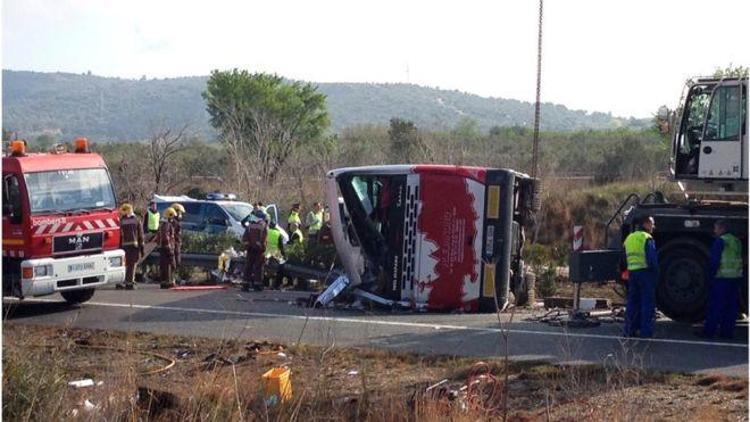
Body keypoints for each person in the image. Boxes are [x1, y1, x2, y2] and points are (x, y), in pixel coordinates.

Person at [699, 220, 744, 339]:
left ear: (722, 229)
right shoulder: (736, 241)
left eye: (716, 228)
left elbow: (715, 260)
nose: (714, 231)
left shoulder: (721, 241)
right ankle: (727, 333)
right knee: (731, 307)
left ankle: (709, 331)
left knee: (715, 306)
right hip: (735, 277)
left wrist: (710, 275)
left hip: (721, 277)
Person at [623, 215, 658, 338]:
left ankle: (629, 330)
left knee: (632, 302)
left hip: (632, 273)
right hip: (645, 273)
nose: (653, 226)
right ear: (646, 224)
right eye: (652, 224)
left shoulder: (629, 238)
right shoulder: (647, 238)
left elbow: (623, 259)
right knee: (647, 303)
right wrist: (656, 274)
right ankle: (646, 332)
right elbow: (652, 259)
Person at [116, 203, 144, 290]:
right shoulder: (136, 220)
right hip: (134, 246)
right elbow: (141, 235)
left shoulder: (121, 221)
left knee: (124, 264)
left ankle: (121, 281)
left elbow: (119, 235)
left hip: (123, 246)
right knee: (132, 264)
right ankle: (130, 282)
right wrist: (142, 247)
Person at [242, 209, 268, 291]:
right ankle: (257, 285)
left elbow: (245, 237)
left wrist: (247, 245)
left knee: (248, 267)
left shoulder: (250, 225)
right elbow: (264, 239)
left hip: (250, 249)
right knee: (258, 268)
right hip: (259, 250)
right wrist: (263, 247)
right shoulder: (263, 226)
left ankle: (245, 284)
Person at [157, 207, 177, 289]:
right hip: (167, 248)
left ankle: (164, 282)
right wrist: (169, 247)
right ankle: (169, 282)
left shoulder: (163, 224)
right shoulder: (167, 225)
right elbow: (166, 237)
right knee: (170, 265)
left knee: (164, 265)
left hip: (163, 247)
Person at [265, 220, 287, 289]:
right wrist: (284, 254)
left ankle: (265, 283)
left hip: (266, 253)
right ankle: (275, 285)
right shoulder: (278, 233)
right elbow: (281, 246)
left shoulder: (266, 232)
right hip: (275, 253)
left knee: (265, 269)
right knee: (278, 269)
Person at [170, 203, 186, 268]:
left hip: (175, 243)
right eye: (180, 213)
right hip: (175, 244)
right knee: (176, 261)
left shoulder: (175, 222)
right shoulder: (174, 222)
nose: (181, 215)